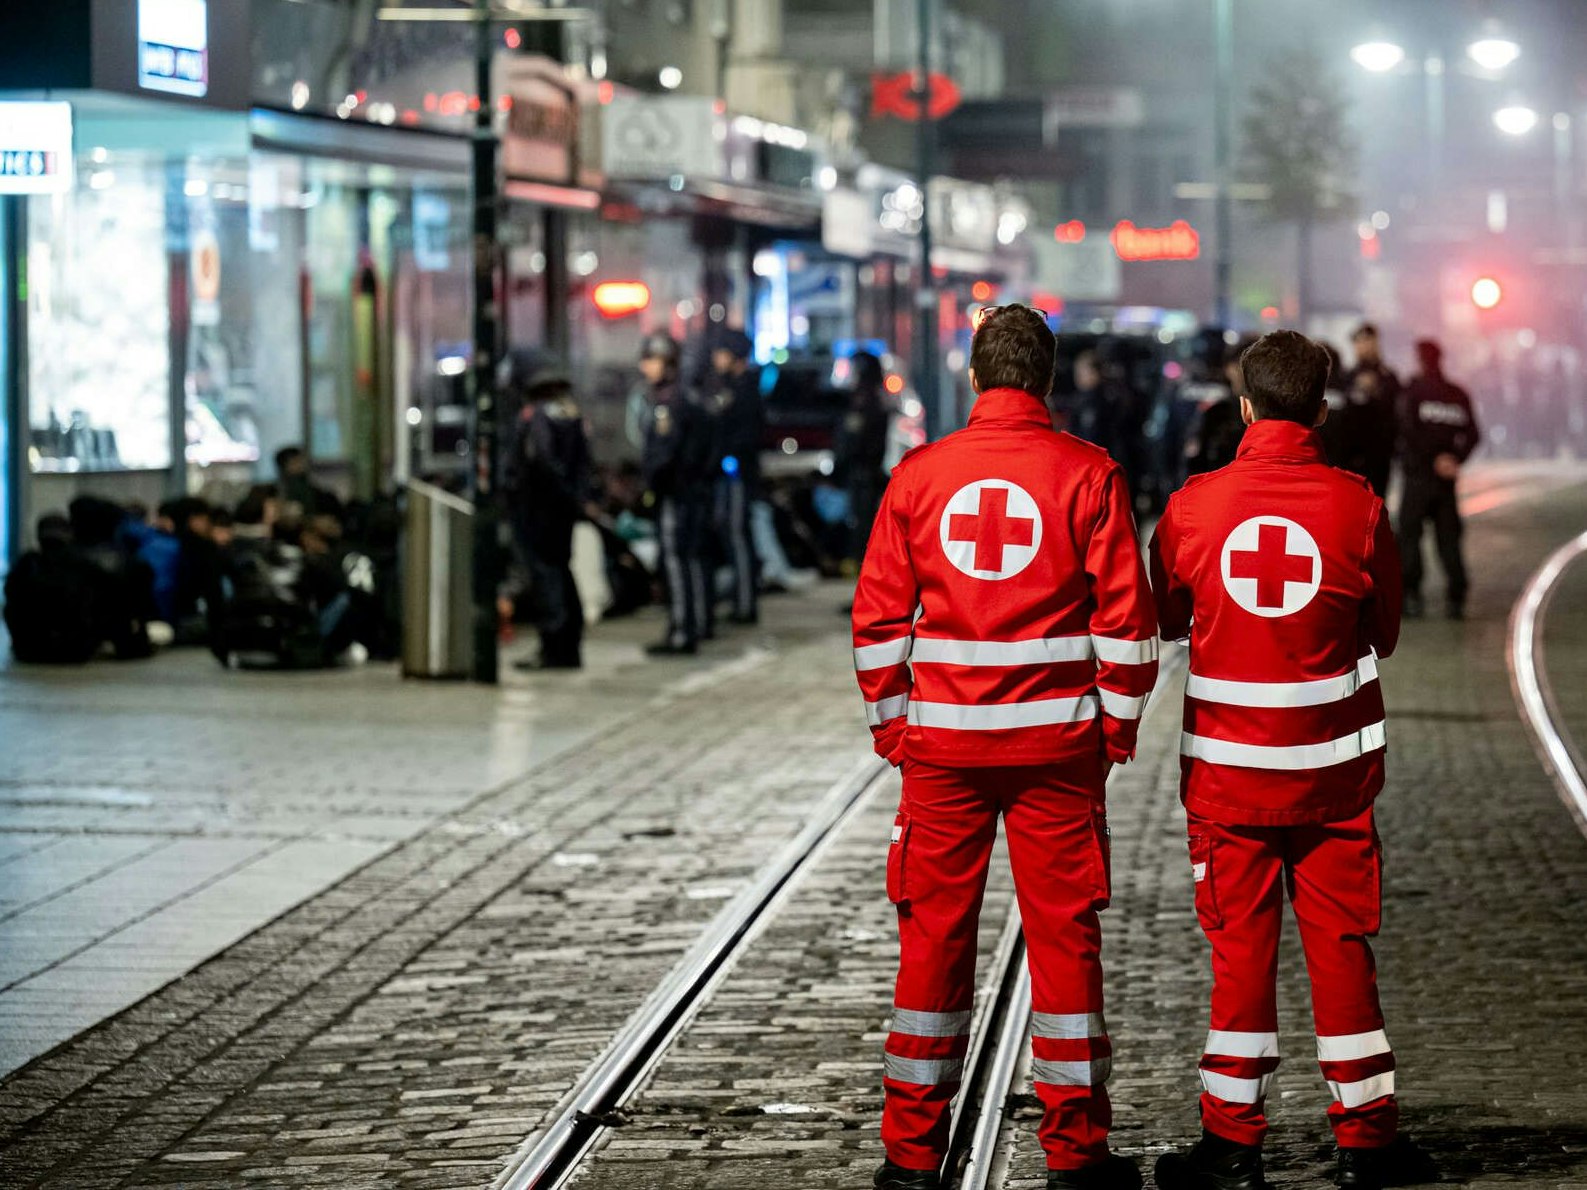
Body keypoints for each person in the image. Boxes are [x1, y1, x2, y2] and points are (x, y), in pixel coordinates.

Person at [852, 305, 1159, 1190]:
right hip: (1057, 750)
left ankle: (910, 1156)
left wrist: (894, 726)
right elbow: (1125, 622)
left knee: (932, 940)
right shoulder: (1087, 473)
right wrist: (1116, 726)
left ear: (976, 376)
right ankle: (1075, 1154)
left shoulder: (920, 474)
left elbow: (876, 616)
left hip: (942, 753)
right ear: (1048, 378)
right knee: (1064, 941)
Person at [1149, 331, 1432, 1190]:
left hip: (1229, 781)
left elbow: (1165, 619)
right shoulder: (1356, 506)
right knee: (1341, 946)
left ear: (1244, 406)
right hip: (1332, 780)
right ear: (1319, 409)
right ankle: (1366, 1141)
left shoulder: (1194, 507)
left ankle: (1231, 1146)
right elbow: (1381, 632)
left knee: (1239, 954)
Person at [501, 348, 593, 669]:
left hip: (538, 509)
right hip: (562, 508)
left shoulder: (536, 415)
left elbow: (539, 460)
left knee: (546, 575)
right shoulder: (569, 411)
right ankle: (569, 642)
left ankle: (554, 646)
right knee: (562, 570)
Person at [639, 332, 714, 655]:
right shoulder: (686, 398)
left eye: (652, 361)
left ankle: (683, 630)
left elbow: (665, 452)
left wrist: (652, 485)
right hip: (691, 490)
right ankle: (695, 623)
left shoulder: (670, 403)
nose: (646, 368)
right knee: (690, 557)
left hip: (677, 491)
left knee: (675, 558)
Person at [1397, 339, 1480, 619]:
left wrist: (1433, 459)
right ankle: (1455, 597)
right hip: (1444, 481)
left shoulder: (1412, 392)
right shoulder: (1456, 394)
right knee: (1449, 539)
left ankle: (1412, 594)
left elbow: (1406, 432)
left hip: (1419, 478)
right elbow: (1472, 434)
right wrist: (1453, 458)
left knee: (1410, 536)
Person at [708, 327, 763, 625]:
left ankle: (745, 602)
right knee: (733, 533)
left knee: (738, 533)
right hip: (731, 473)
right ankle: (741, 599)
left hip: (737, 474)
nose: (716, 359)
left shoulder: (744, 390)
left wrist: (728, 460)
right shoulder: (730, 386)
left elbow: (744, 435)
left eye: (721, 353)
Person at [835, 351, 892, 569]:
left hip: (862, 471)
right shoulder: (875, 397)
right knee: (864, 521)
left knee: (861, 522)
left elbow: (854, 437)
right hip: (868, 469)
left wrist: (841, 464)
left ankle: (861, 566)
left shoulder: (864, 399)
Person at [1345, 324, 1399, 498]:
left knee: (1378, 500)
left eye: (1368, 341)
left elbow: (1396, 414)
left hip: (1380, 453)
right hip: (1352, 455)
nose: (1364, 347)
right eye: (1359, 342)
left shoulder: (1388, 377)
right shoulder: (1348, 376)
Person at [274, 446, 344, 521]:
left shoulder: (304, 480)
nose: (301, 464)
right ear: (286, 467)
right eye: (295, 461)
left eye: (300, 460)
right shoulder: (288, 487)